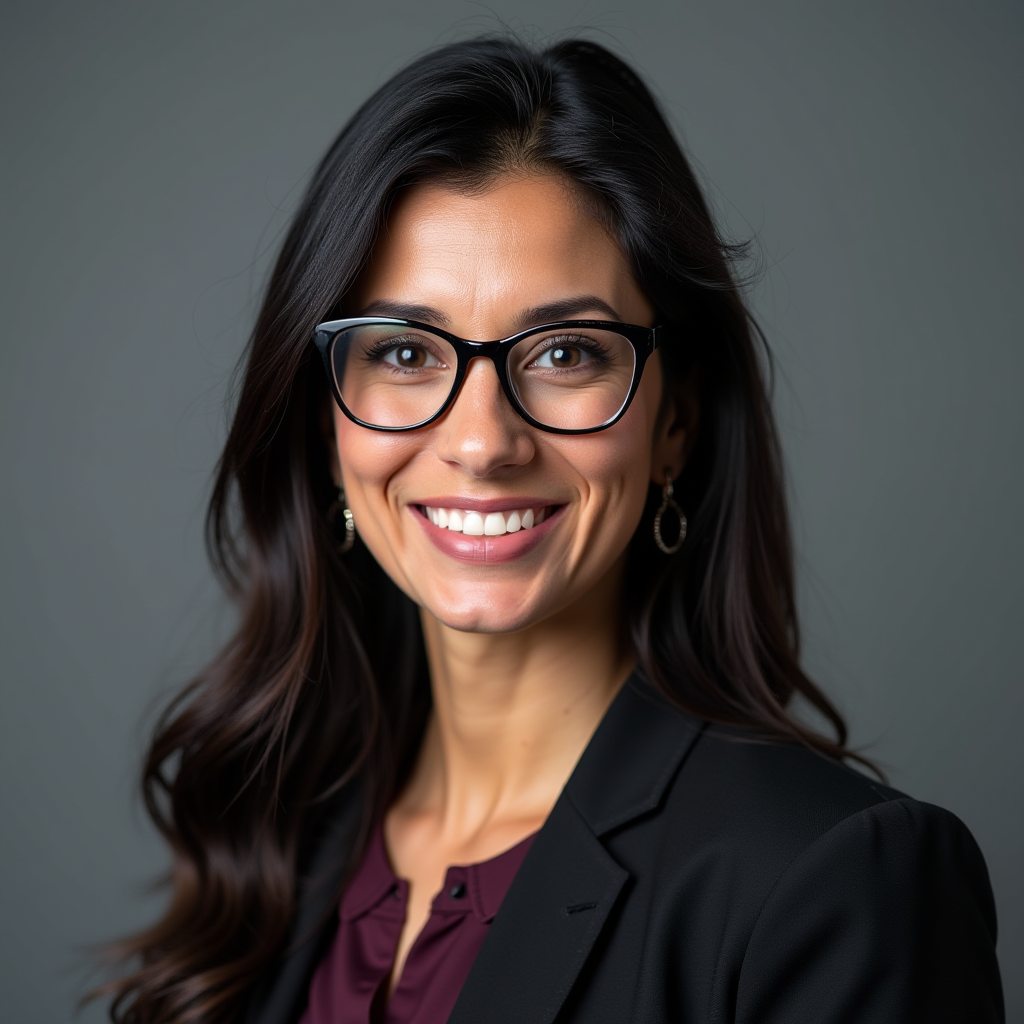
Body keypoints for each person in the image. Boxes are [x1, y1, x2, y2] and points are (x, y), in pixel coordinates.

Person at [101, 36, 1004, 1024]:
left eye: (565, 352)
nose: (483, 441)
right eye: (404, 351)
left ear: (673, 423)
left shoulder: (833, 880)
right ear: (327, 421)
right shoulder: (274, 838)